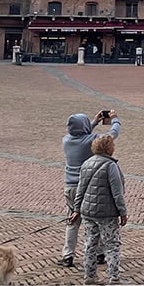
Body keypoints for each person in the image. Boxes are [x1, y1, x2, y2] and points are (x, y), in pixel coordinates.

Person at [61, 109, 121, 268]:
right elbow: (112, 134)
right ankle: (100, 253)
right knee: (95, 219)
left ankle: (68, 255)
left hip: (70, 187)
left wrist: (94, 122)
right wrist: (115, 119)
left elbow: (81, 132)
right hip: (88, 186)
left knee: (72, 221)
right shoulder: (91, 141)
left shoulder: (66, 140)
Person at [71, 135, 127, 284]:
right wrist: (123, 212)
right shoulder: (111, 165)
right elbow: (117, 192)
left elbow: (80, 189)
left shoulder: (86, 164)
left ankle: (89, 276)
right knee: (112, 244)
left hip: (88, 211)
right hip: (107, 213)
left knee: (90, 244)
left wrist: (76, 209)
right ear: (109, 148)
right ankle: (113, 277)